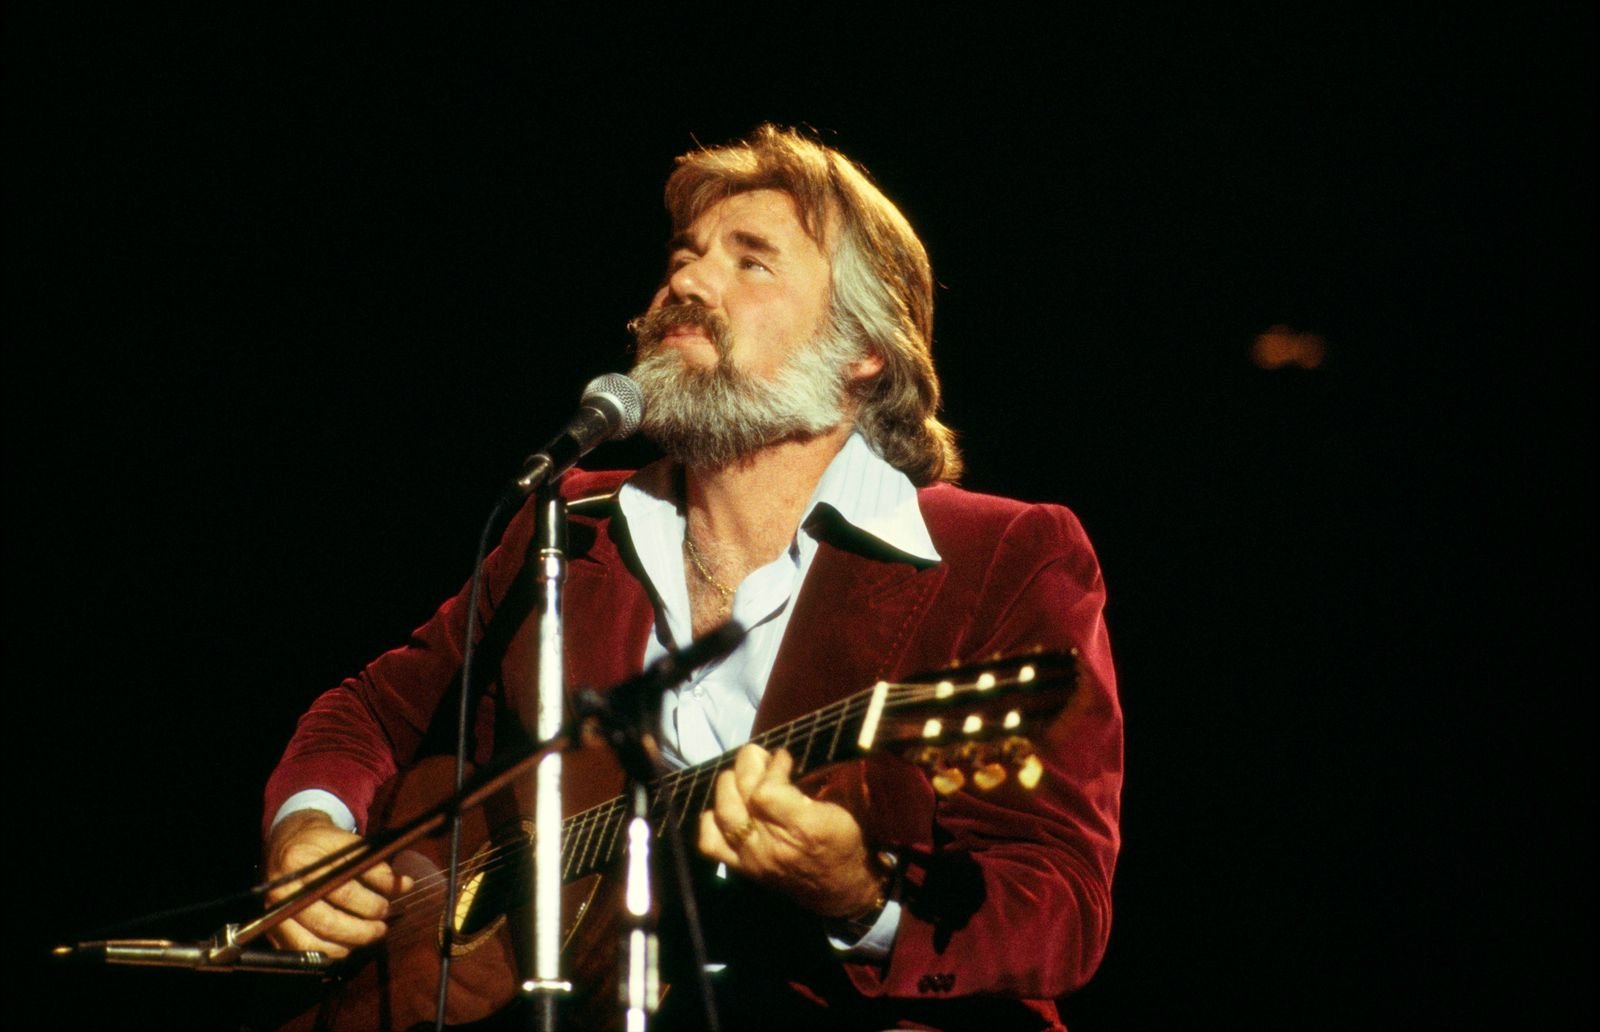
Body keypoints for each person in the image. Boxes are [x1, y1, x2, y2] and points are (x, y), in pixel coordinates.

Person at [261, 125, 1122, 1031]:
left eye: (752, 262)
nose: (688, 282)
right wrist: (309, 830)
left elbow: (1062, 902)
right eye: (686, 255)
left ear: (864, 348)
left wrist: (860, 899)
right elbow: (373, 711)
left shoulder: (1003, 557)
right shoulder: (569, 528)